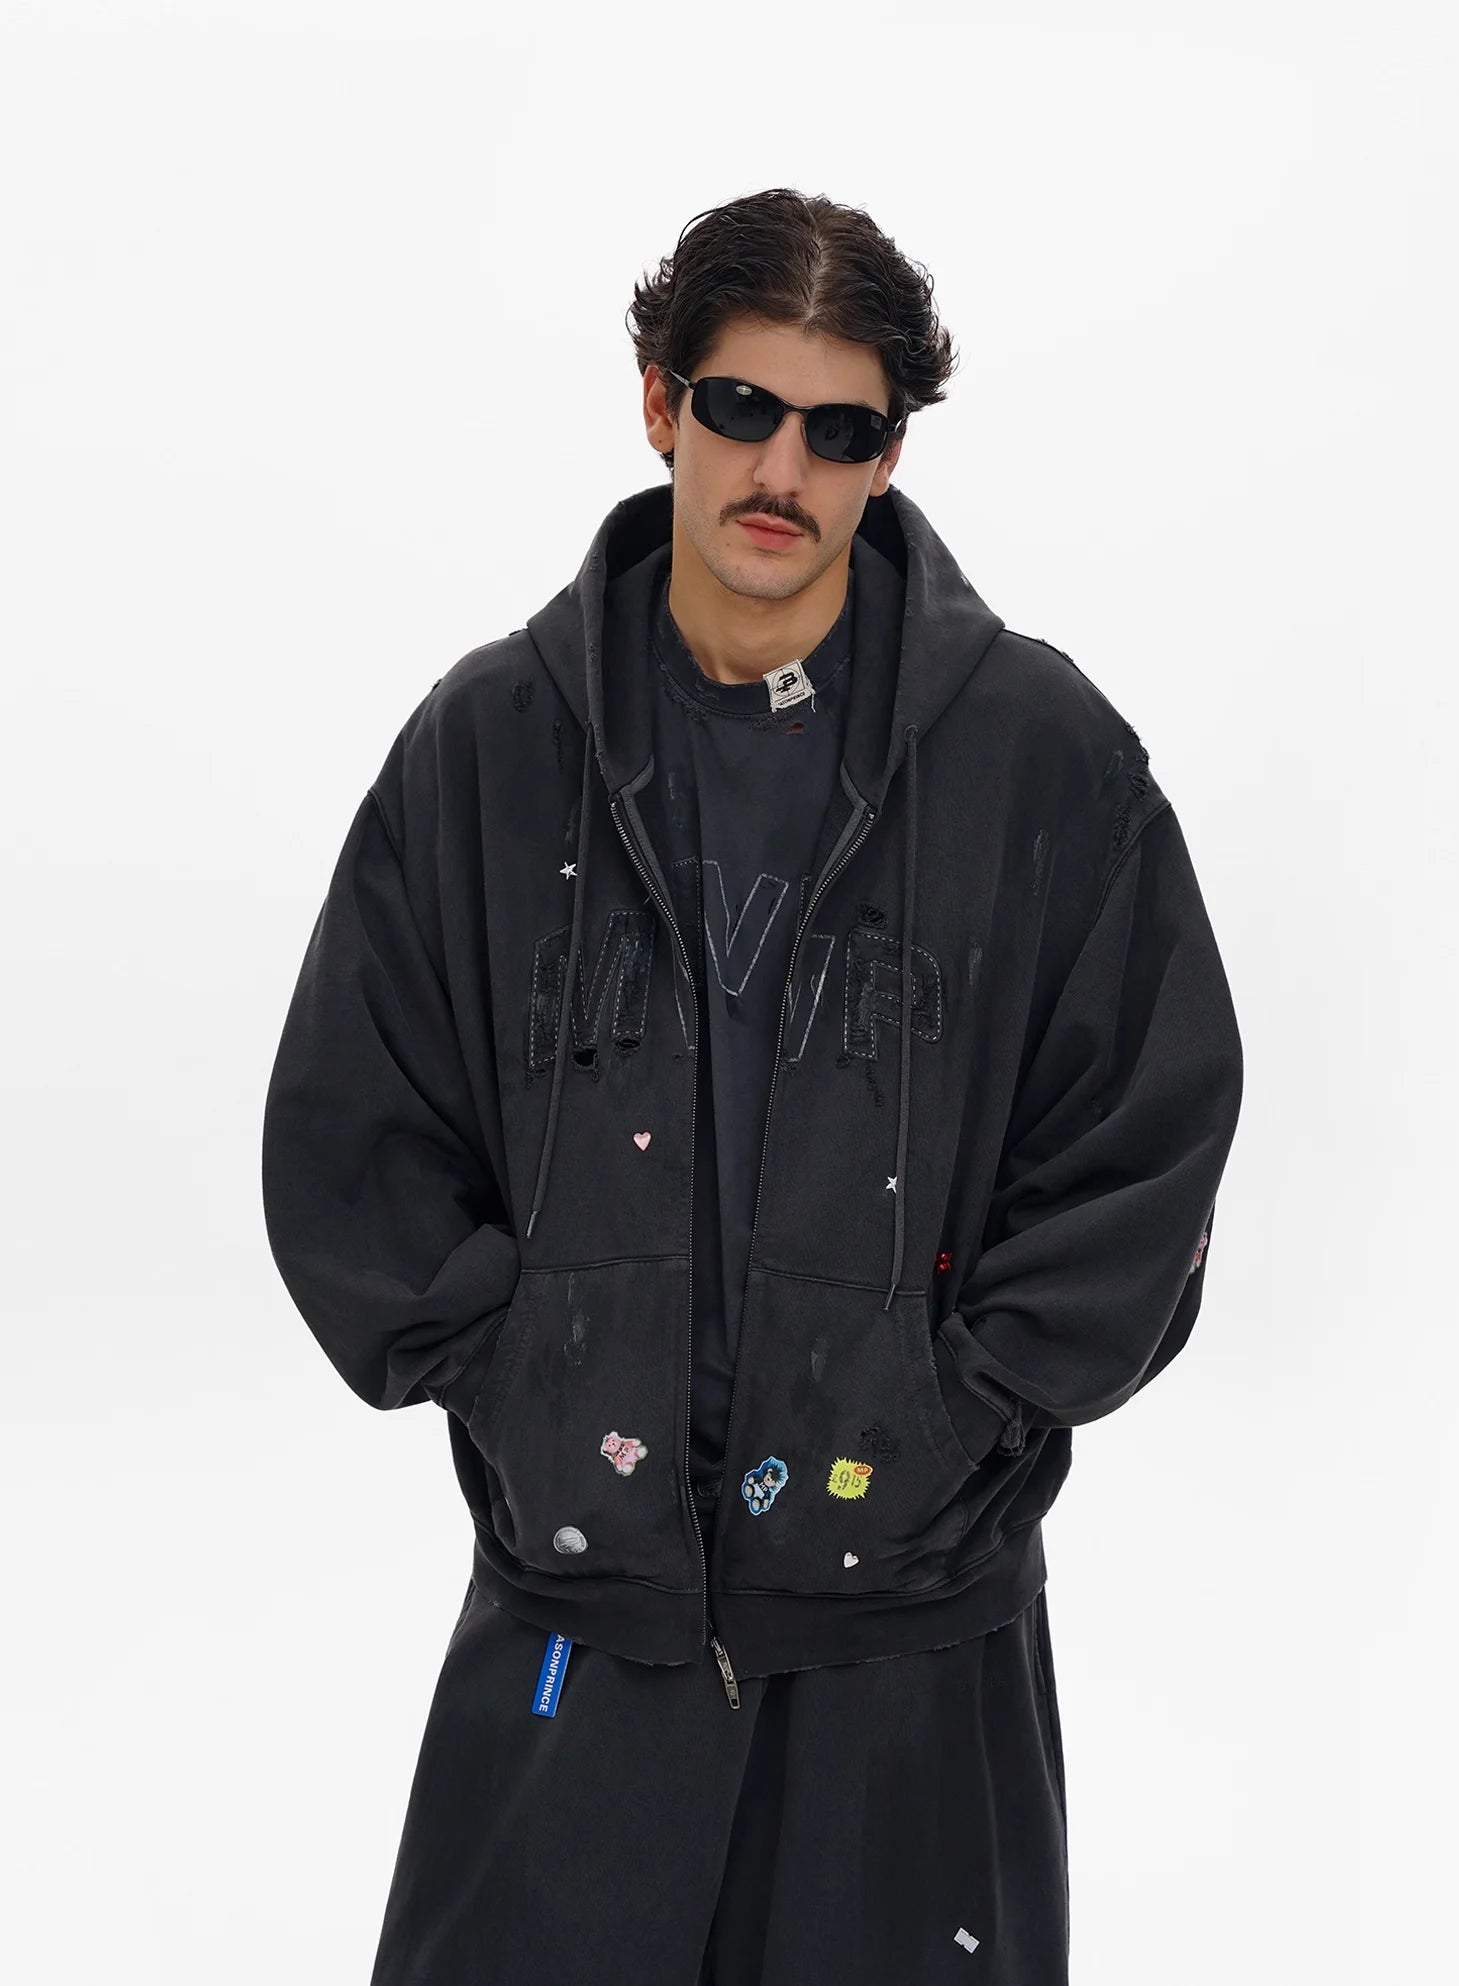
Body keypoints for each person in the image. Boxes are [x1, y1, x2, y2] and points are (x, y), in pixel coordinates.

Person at [261, 186, 1245, 1985]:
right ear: (660, 402)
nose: (781, 467)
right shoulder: (491, 748)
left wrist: (949, 1422)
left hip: (909, 1639)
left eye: (839, 429)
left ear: (888, 455)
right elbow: (354, 1133)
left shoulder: (1038, 760)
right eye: (739, 407)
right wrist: (527, 1383)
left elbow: (1142, 1144)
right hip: (581, 1615)